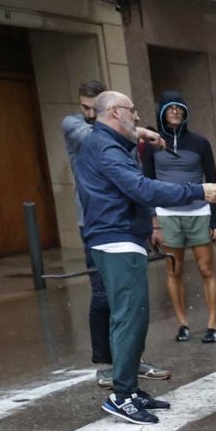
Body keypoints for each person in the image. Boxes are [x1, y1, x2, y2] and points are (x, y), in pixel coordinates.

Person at [74, 91, 216, 426]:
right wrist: (197, 191)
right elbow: (141, 188)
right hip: (115, 238)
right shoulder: (105, 146)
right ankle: (122, 396)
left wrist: (137, 135)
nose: (137, 117)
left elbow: (124, 159)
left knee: (136, 315)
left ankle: (130, 388)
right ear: (114, 111)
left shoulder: (108, 141)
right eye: (132, 111)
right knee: (128, 316)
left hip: (122, 235)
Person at [61, 80, 171, 390]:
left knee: (131, 304)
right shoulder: (80, 128)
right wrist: (140, 133)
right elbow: (97, 134)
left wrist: (152, 223)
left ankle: (130, 363)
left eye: (93, 107)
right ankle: (107, 366)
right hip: (101, 225)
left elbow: (136, 184)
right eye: (86, 108)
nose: (89, 114)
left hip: (127, 223)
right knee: (104, 297)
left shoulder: (121, 141)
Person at [139, 91, 216, 344]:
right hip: (167, 215)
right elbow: (147, 182)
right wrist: (153, 221)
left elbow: (212, 180)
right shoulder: (153, 145)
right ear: (162, 112)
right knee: (173, 270)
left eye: (180, 108)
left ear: (185, 113)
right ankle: (183, 324)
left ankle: (213, 325)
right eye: (170, 108)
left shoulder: (200, 143)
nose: (175, 111)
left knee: (206, 269)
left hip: (199, 212)